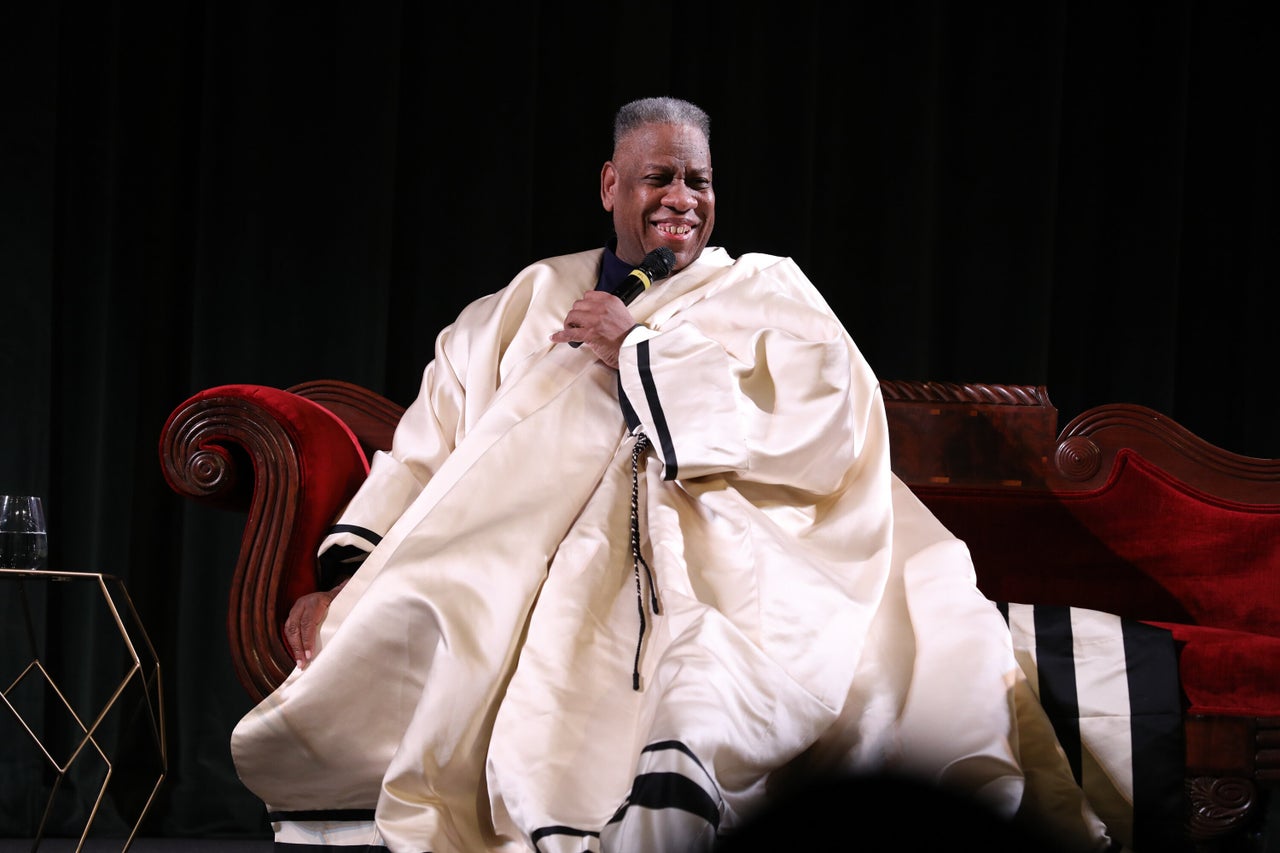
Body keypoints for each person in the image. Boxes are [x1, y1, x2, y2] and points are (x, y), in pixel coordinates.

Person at [230, 96, 1117, 853]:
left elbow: (828, 417)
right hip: (530, 556)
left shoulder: (768, 289)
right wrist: (344, 580)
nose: (681, 199)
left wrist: (636, 348)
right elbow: (427, 448)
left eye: (698, 180)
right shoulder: (528, 299)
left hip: (735, 533)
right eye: (658, 177)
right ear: (611, 185)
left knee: (741, 659)